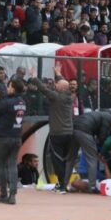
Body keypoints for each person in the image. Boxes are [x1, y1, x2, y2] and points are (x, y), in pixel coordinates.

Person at [30, 65, 73, 194]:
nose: (55, 84)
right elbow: (64, 84)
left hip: (57, 133)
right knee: (64, 159)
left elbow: (44, 89)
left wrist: (34, 77)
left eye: (57, 84)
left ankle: (62, 186)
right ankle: (63, 184)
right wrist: (58, 73)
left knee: (57, 160)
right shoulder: (69, 96)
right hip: (68, 133)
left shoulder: (56, 97)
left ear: (61, 88)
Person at [0, 78, 27, 205]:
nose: (7, 88)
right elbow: (4, 108)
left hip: (4, 137)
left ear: (13, 88)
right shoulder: (22, 102)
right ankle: (12, 195)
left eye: (9, 86)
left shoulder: (7, 102)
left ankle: (3, 194)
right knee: (12, 164)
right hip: (17, 137)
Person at [65, 109, 111, 191]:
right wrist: (105, 150)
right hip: (84, 130)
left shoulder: (98, 114)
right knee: (92, 158)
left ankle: (63, 184)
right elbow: (102, 137)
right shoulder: (109, 117)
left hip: (72, 128)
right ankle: (92, 186)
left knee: (70, 159)